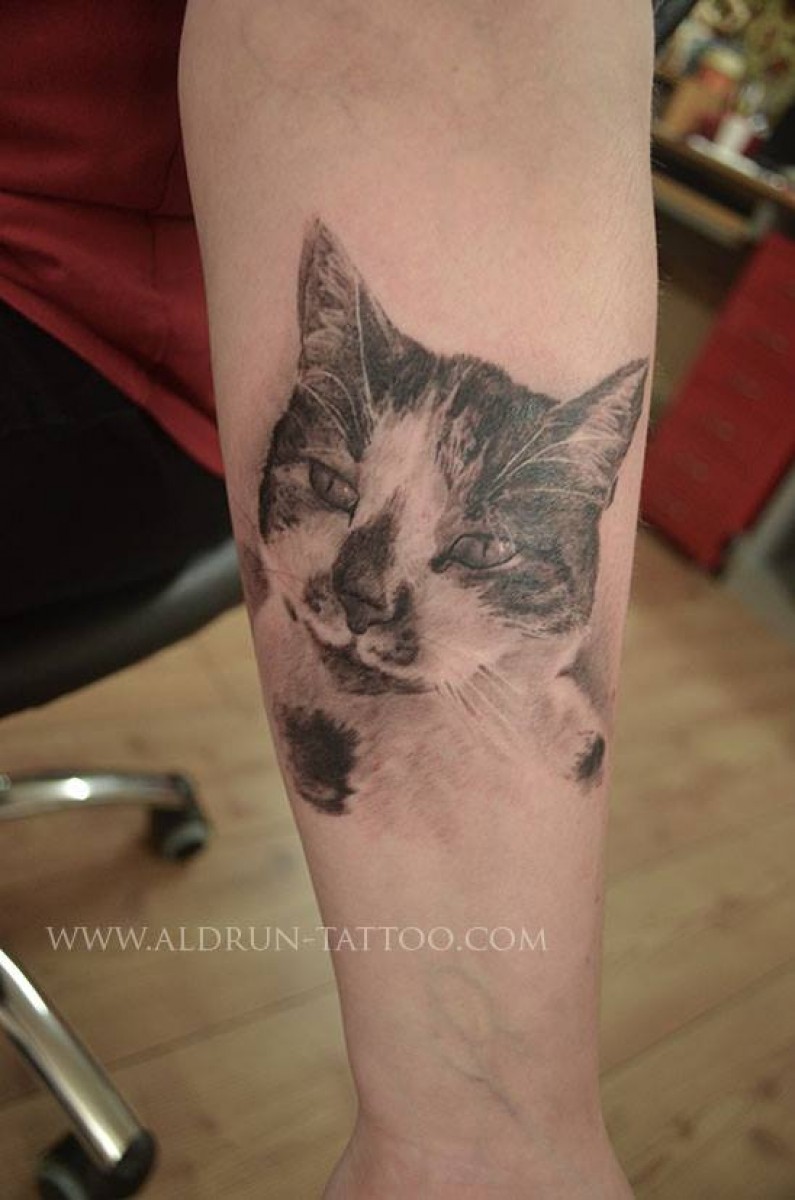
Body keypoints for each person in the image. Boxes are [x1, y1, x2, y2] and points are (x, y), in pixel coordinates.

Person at [3, 2, 662, 1195]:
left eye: (474, 550)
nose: (364, 598)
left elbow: (439, 40)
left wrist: (473, 1131)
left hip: (70, 302)